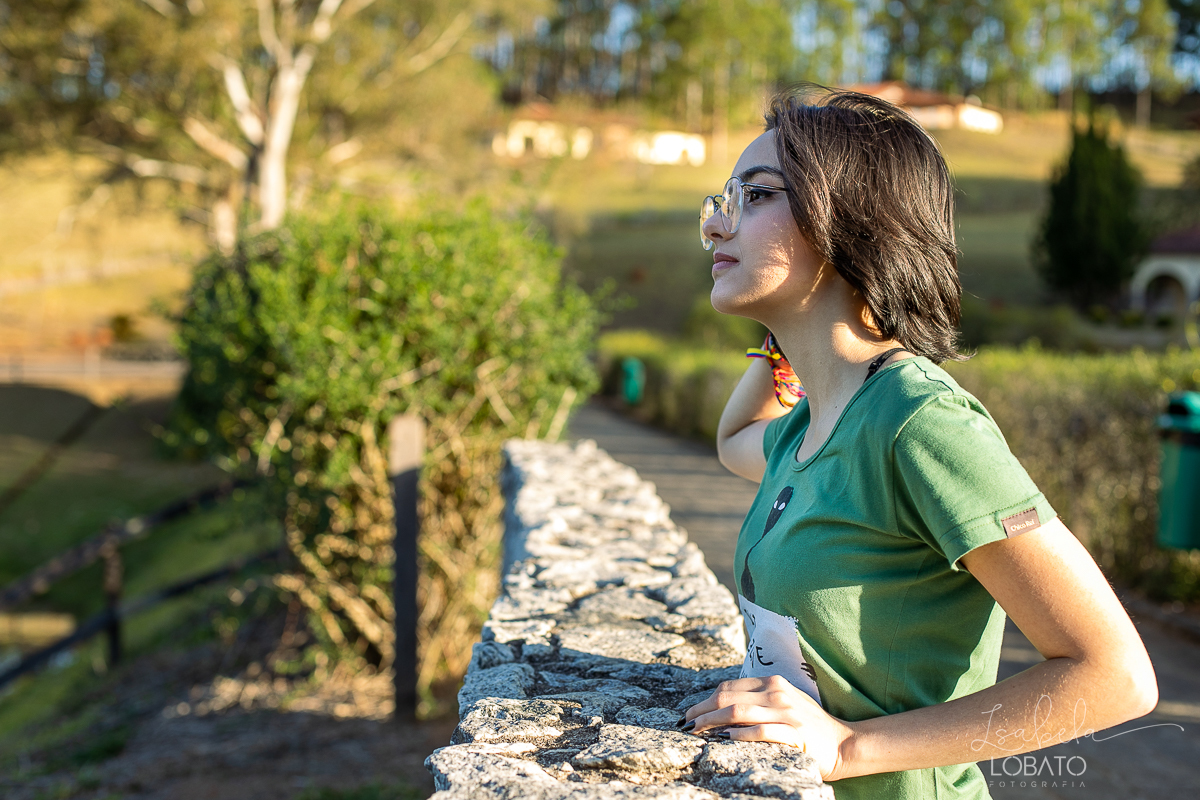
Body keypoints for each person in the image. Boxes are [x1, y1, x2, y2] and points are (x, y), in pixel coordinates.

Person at [678, 87, 1158, 799]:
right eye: (722, 199)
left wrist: (847, 747)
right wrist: (784, 345)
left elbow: (1115, 676)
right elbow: (734, 440)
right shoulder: (819, 422)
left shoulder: (920, 424)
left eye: (755, 196)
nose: (717, 226)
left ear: (850, 221)